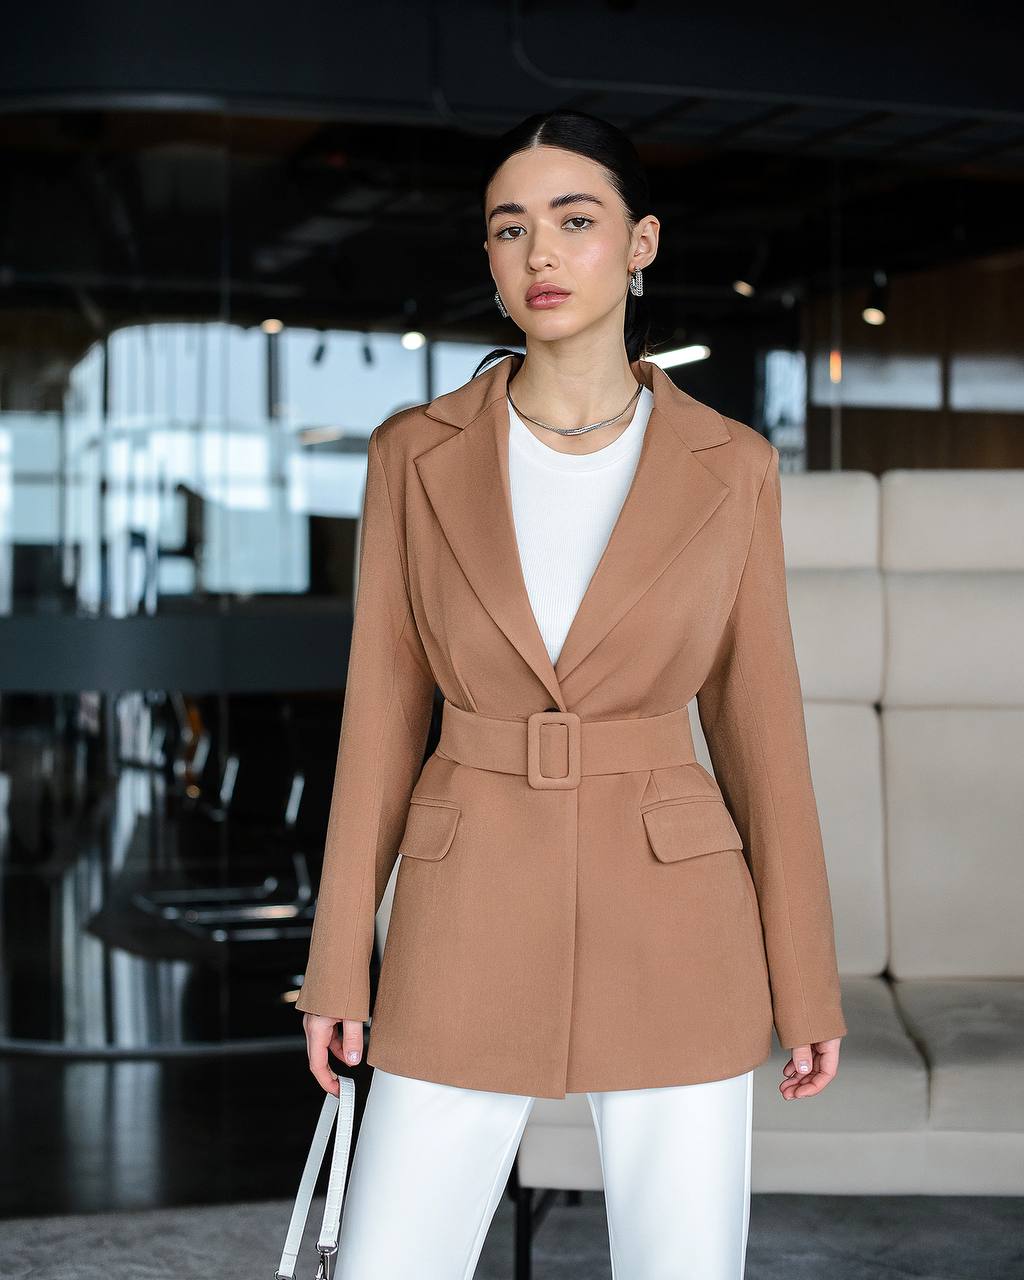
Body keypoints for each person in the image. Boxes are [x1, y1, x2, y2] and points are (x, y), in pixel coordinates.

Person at [298, 108, 847, 1278]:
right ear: (490, 264)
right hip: (463, 906)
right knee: (390, 1259)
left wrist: (804, 979)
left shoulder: (731, 464)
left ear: (641, 242)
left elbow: (761, 730)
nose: (540, 251)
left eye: (575, 219)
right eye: (510, 228)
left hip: (676, 919)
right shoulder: (413, 453)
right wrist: (341, 959)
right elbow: (382, 716)